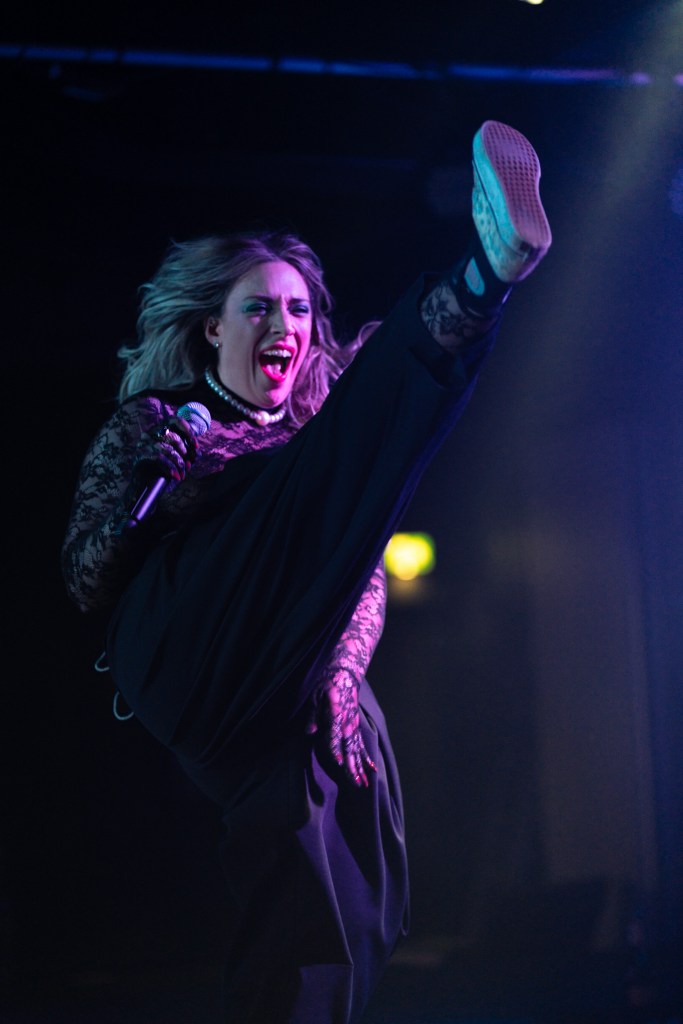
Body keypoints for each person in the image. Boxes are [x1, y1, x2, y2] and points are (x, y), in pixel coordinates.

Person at [61, 120, 552, 1023]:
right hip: (190, 655)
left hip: (277, 693)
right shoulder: (158, 424)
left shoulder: (316, 454)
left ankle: (492, 278)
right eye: (258, 309)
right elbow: (85, 580)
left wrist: (339, 674)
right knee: (325, 449)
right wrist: (155, 493)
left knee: (346, 890)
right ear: (212, 327)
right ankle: (476, 277)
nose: (283, 326)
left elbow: (358, 577)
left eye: (297, 311)